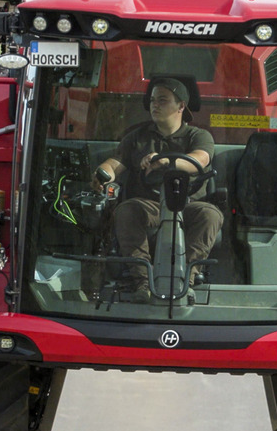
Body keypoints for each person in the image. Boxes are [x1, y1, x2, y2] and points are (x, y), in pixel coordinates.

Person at [91, 77, 223, 301]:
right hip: (150, 206)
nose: (155, 105)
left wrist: (164, 161)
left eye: (162, 100)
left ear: (181, 106)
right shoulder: (137, 137)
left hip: (187, 206)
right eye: (152, 100)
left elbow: (199, 160)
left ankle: (186, 281)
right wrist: (102, 174)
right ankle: (143, 283)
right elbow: (115, 164)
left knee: (211, 215)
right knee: (126, 210)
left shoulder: (198, 136)